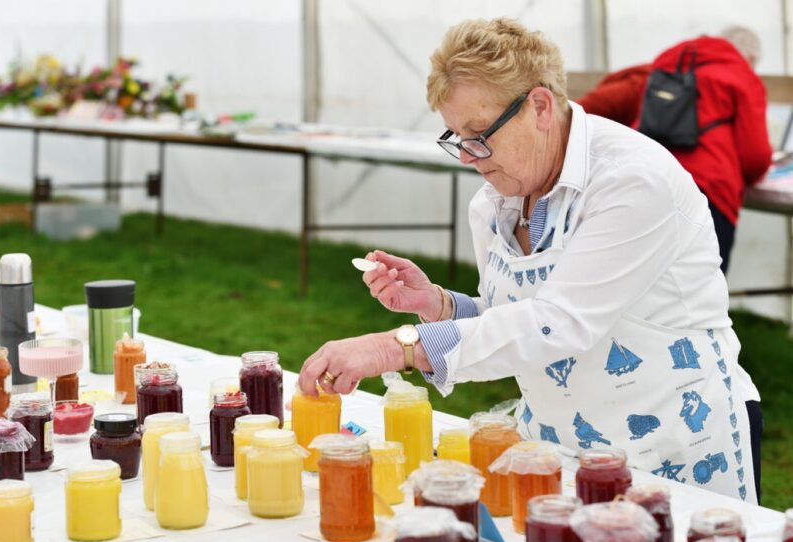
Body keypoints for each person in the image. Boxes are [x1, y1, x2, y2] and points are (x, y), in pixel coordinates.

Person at [298, 17, 762, 503]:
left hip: (675, 447)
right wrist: (441, 305)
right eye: (456, 137)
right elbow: (518, 319)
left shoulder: (632, 181)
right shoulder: (495, 201)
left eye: (478, 133)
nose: (467, 157)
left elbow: (559, 322)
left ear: (539, 106)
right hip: (559, 446)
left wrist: (392, 348)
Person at [577, 26, 773, 274]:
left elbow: (586, 110)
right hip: (708, 193)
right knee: (703, 291)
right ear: (751, 58)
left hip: (644, 179)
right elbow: (755, 158)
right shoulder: (742, 76)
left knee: (641, 283)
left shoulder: (668, 63)